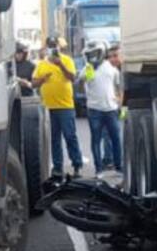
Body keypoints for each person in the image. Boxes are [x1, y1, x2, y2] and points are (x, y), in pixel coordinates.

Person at [33, 36, 83, 179]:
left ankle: (77, 165)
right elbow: (34, 83)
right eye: (50, 46)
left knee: (70, 136)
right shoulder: (41, 64)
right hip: (49, 107)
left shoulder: (67, 60)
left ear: (59, 47)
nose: (53, 48)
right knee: (54, 139)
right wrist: (42, 79)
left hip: (65, 106)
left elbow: (73, 78)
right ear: (46, 47)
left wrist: (60, 65)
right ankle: (58, 167)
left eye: (55, 45)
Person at [84, 43, 124, 174]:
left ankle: (118, 166)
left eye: (95, 53)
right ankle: (98, 168)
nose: (93, 57)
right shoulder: (88, 68)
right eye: (90, 54)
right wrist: (87, 75)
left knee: (116, 139)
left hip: (111, 110)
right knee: (96, 140)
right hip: (94, 110)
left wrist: (119, 103)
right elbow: (79, 82)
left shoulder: (111, 68)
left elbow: (119, 86)